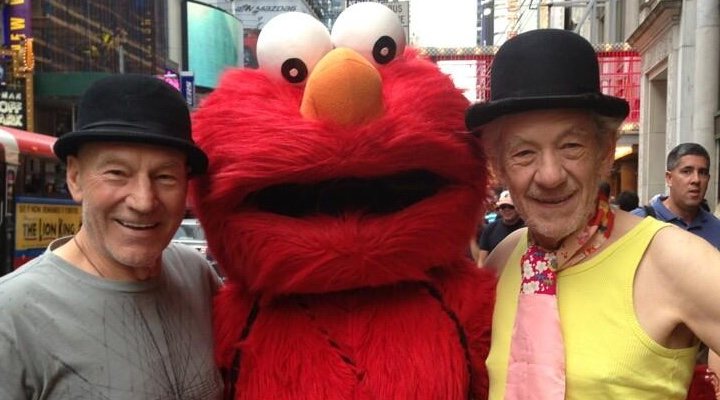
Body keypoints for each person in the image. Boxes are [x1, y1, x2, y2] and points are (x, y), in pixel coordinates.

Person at [466, 29, 720, 399]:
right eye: (524, 153)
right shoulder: (505, 259)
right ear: (500, 168)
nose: (550, 175)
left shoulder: (672, 259)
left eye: (571, 146)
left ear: (605, 153)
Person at [0, 74, 223, 399]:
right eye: (117, 173)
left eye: (165, 176)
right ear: (75, 178)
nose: (144, 201)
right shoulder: (12, 317)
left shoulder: (197, 277)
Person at [631, 142, 720, 249]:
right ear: (669, 178)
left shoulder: (716, 228)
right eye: (687, 171)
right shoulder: (637, 221)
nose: (696, 180)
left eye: (702, 173)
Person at [476, 190, 525, 265]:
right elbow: (482, 260)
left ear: (518, 207)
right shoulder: (490, 229)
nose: (506, 209)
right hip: (496, 274)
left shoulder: (528, 229)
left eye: (511, 206)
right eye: (503, 207)